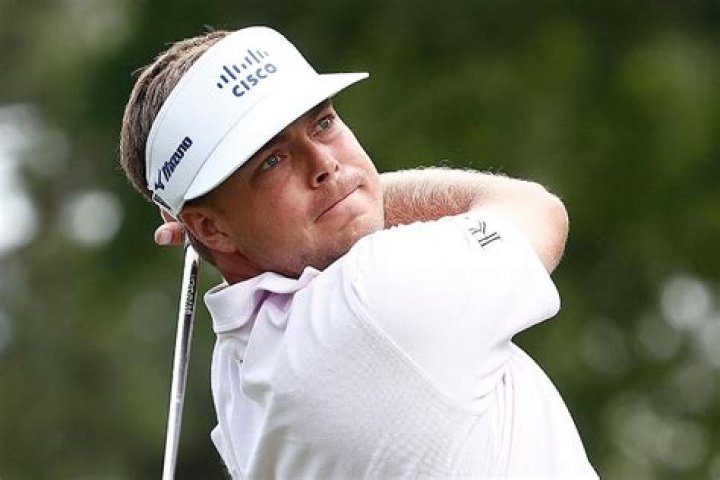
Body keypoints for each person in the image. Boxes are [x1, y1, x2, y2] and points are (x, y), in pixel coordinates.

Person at [120, 26, 598, 479]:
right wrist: (353, 195)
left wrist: (223, 227)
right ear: (210, 228)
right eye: (272, 160)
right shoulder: (375, 293)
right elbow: (538, 210)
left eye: (323, 123)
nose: (325, 163)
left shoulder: (236, 374)